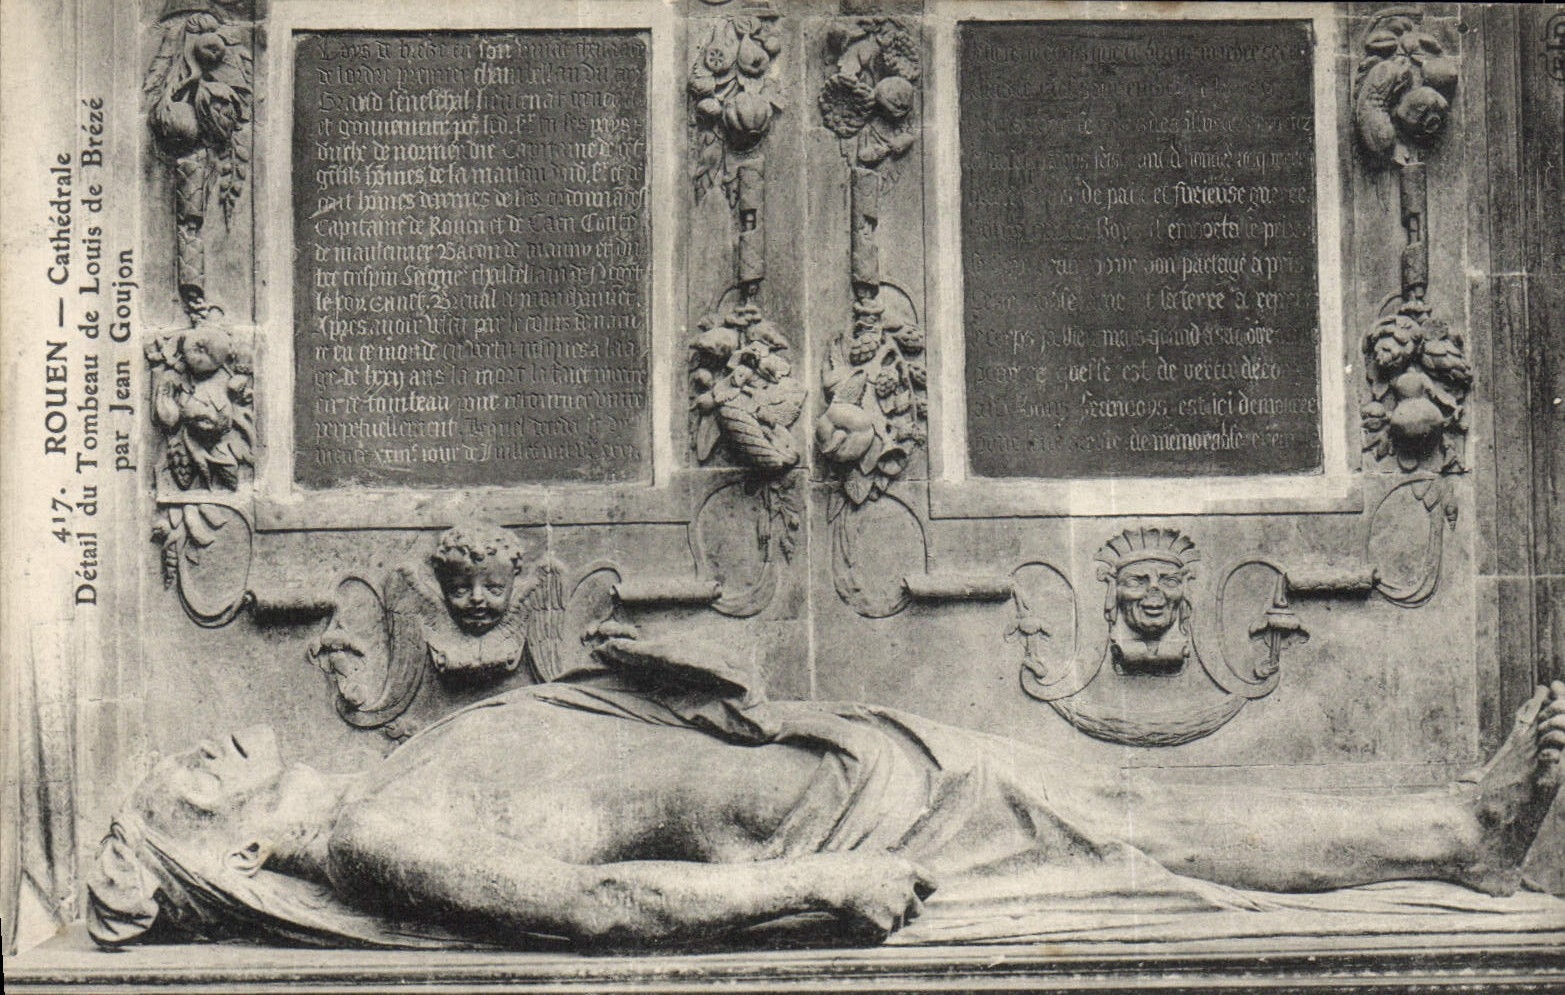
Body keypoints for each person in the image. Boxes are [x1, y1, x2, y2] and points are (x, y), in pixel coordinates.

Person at [86, 629, 1565, 951]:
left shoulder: (405, 766)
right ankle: (1457, 832)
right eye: (182, 788)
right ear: (242, 850)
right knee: (1135, 823)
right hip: (857, 828)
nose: (199, 755)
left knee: (1129, 805)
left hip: (839, 762)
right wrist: (821, 884)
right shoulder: (381, 832)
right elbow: (603, 906)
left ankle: (1449, 825)